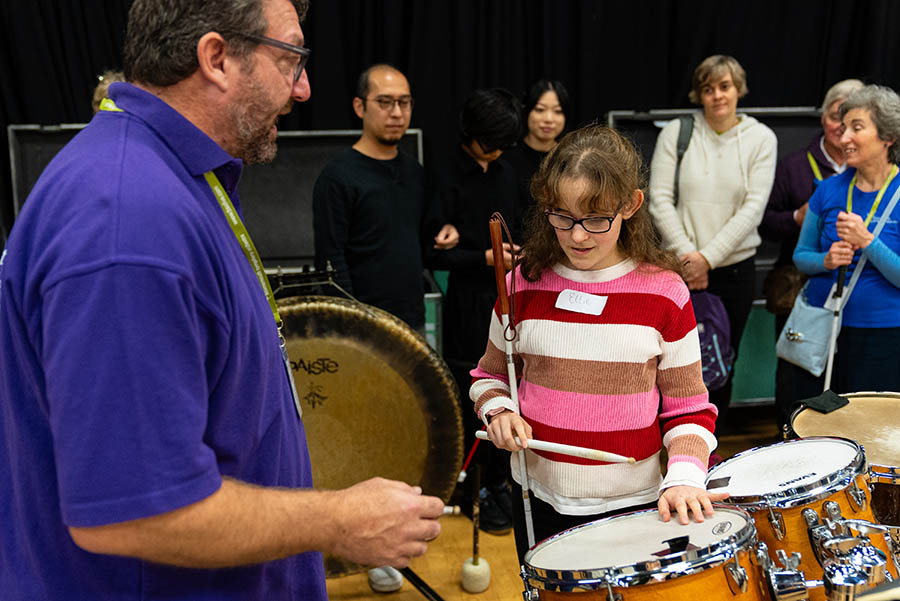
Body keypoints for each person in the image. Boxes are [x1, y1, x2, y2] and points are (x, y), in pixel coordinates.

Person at [0, 1, 444, 599]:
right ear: (216, 58)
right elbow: (134, 512)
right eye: (291, 58)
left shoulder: (176, 177)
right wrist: (341, 520)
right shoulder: (128, 222)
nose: (305, 88)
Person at [473, 124, 727, 563]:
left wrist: (685, 475)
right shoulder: (521, 286)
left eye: (595, 218)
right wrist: (498, 411)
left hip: (631, 503)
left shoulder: (664, 292)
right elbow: (489, 376)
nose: (576, 236)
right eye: (562, 216)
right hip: (539, 495)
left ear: (630, 205)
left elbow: (689, 409)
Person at [648, 55, 777, 434]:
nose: (718, 96)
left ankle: (706, 447)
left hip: (734, 272)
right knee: (669, 362)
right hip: (678, 270)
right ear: (698, 94)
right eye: (709, 88)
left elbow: (753, 208)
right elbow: (658, 199)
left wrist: (708, 258)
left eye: (725, 86)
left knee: (719, 364)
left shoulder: (760, 138)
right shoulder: (677, 132)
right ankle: (665, 446)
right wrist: (690, 258)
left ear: (739, 90)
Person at [424, 87, 522, 534]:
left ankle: (500, 480)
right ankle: (473, 486)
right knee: (473, 390)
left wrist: (512, 253)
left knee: (510, 388)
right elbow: (433, 254)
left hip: (507, 296)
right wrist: (483, 258)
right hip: (467, 300)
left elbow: (515, 231)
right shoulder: (443, 174)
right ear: (472, 135)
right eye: (491, 141)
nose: (497, 151)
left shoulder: (507, 173)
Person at [312, 64, 457, 336]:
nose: (397, 113)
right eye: (385, 102)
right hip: (362, 326)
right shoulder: (337, 177)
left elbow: (422, 241)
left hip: (412, 319)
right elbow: (331, 262)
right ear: (359, 107)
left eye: (404, 103)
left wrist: (446, 230)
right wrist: (354, 323)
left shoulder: (414, 171)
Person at [759, 78, 863, 429]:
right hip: (801, 289)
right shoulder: (794, 165)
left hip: (856, 294)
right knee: (796, 382)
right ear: (823, 118)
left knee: (848, 382)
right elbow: (767, 224)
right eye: (837, 117)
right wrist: (797, 218)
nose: (843, 129)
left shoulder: (874, 173)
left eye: (854, 121)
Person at [794, 84, 900, 394]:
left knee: (873, 431)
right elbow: (801, 256)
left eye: (857, 128)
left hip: (885, 334)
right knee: (820, 427)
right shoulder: (827, 190)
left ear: (887, 137)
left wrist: (867, 241)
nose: (844, 139)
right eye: (843, 129)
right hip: (824, 329)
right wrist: (826, 260)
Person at [502, 79, 569, 226]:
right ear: (527, 111)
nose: (549, 119)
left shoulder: (572, 158)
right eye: (540, 109)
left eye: (558, 111)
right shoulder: (506, 159)